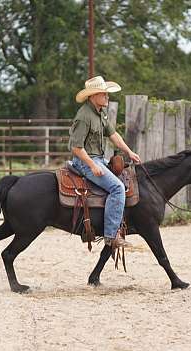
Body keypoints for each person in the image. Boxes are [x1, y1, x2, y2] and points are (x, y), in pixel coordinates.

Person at [68, 76, 141, 248]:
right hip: (85, 161)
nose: (107, 96)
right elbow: (76, 147)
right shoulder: (84, 116)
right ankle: (111, 236)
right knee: (117, 188)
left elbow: (114, 135)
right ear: (93, 96)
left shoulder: (100, 112)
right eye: (103, 94)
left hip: (98, 159)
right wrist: (93, 165)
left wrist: (129, 152)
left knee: (126, 175)